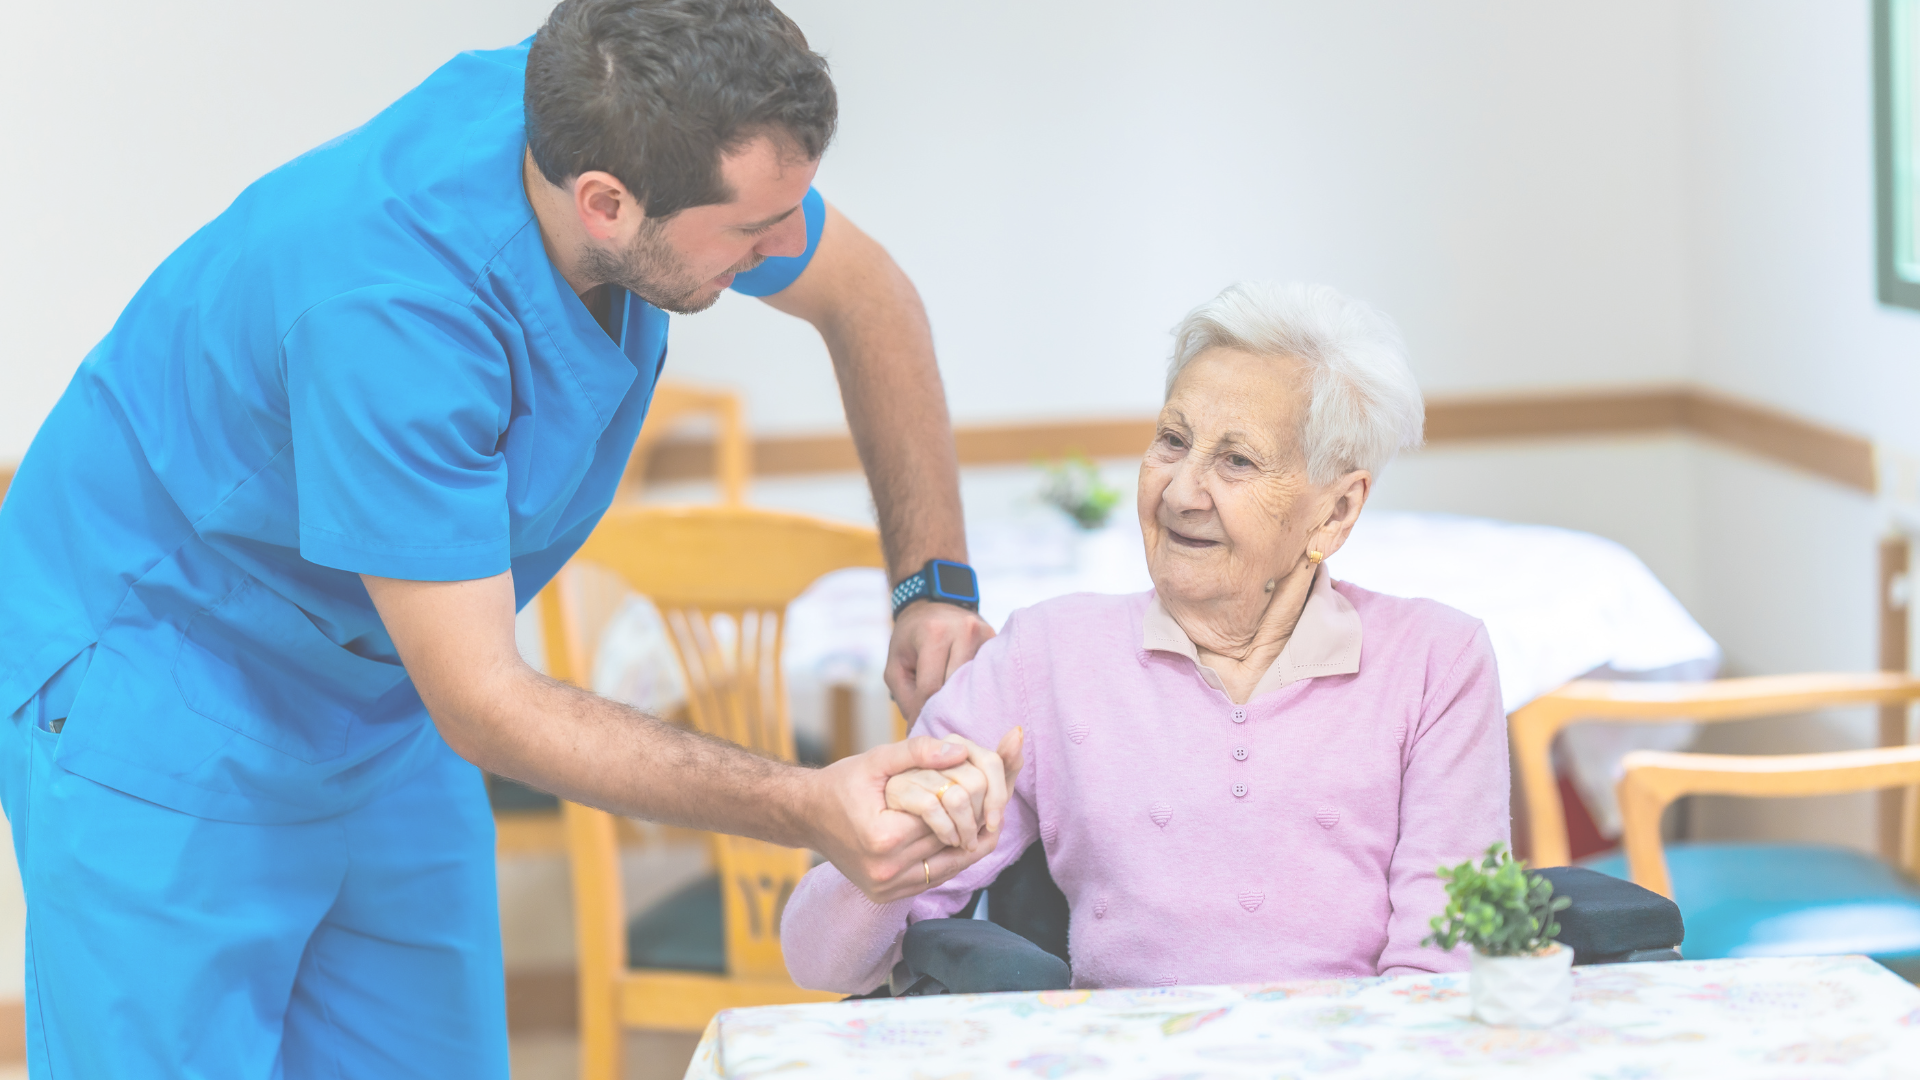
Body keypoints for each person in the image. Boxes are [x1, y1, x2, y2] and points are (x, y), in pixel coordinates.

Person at [0, 1, 1015, 1075]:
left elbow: (868, 296)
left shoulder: (611, 106)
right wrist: (804, 805)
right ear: (607, 205)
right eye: (754, 231)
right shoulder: (391, 311)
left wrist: (931, 583)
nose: (787, 245)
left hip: (381, 694)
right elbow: (486, 700)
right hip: (161, 680)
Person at [780, 282, 1511, 993]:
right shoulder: (1048, 657)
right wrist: (898, 856)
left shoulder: (1436, 664)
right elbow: (819, 963)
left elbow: (1443, 978)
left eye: (1236, 460)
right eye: (1172, 440)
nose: (1181, 490)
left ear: (1335, 513)